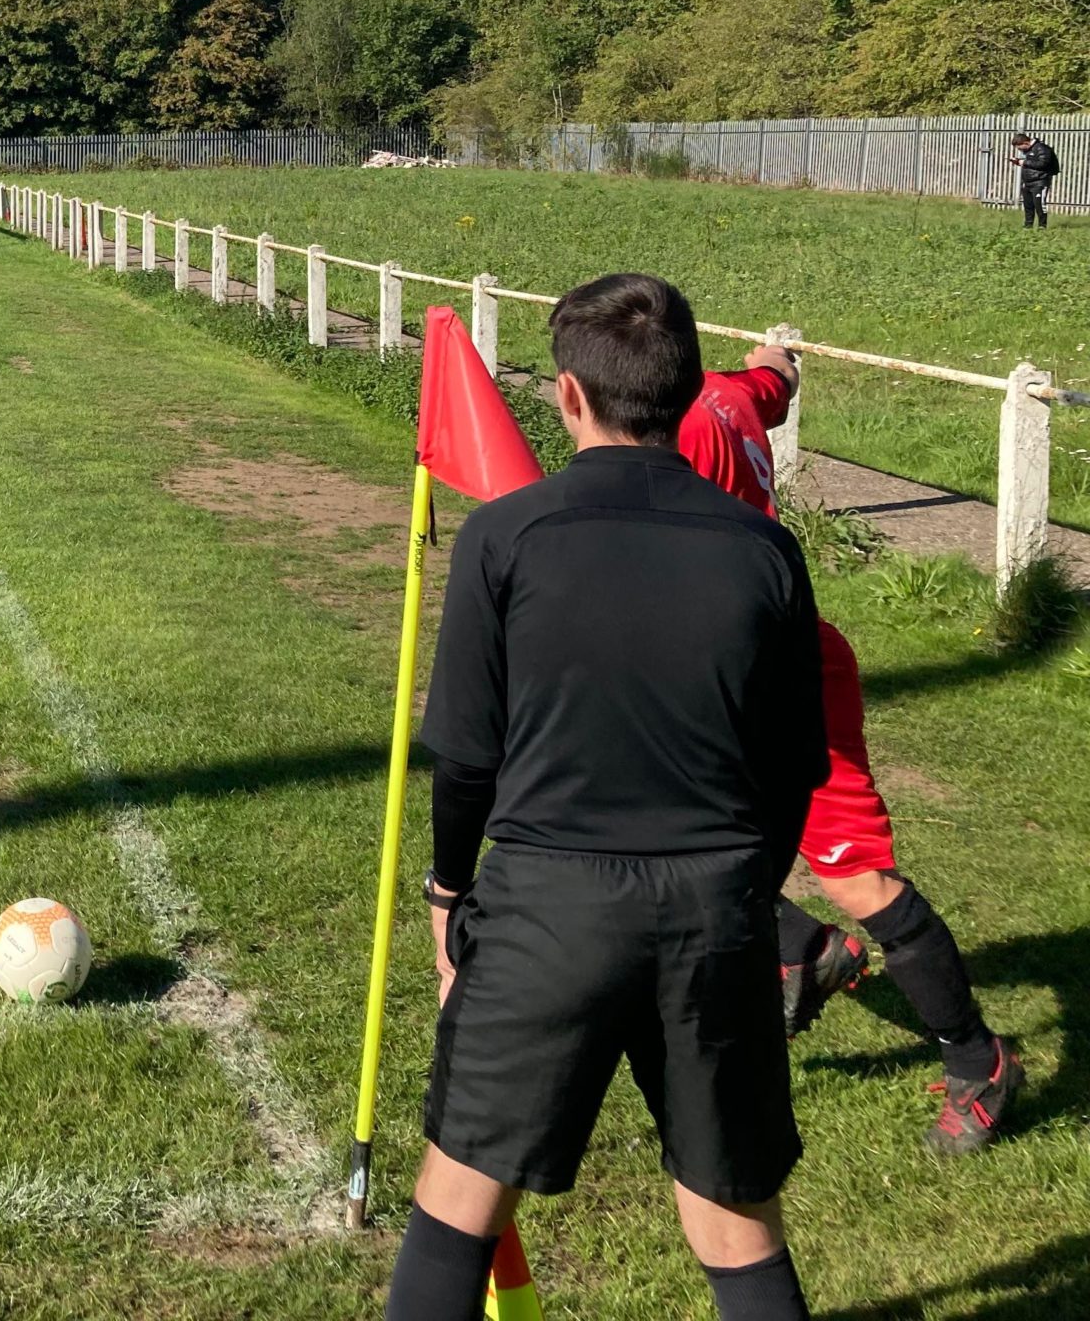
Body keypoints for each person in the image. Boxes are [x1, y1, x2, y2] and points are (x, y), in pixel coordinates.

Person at [388, 273, 826, 1321]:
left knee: (457, 1207)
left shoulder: (505, 537)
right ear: (691, 392)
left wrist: (449, 893)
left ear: (569, 395)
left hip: (548, 909)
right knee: (736, 1222)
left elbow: (466, 759)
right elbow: (791, 772)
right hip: (714, 910)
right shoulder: (765, 551)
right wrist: (742, 893)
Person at [679, 348, 1020, 1154]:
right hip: (752, 657)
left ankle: (980, 1061)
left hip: (774, 669)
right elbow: (777, 378)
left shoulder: (684, 430)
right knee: (681, 833)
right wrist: (773, 360)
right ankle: (804, 951)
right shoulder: (724, 392)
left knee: (854, 875)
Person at [1006, 132, 1059, 229]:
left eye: (1020, 148)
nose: (1020, 150)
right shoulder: (1028, 150)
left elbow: (1043, 163)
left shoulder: (1041, 148)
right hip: (1027, 182)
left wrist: (1024, 162)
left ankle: (1042, 226)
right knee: (1028, 205)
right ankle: (1028, 226)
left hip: (1040, 181)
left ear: (1025, 143)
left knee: (1039, 205)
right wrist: (1018, 161)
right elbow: (1031, 163)